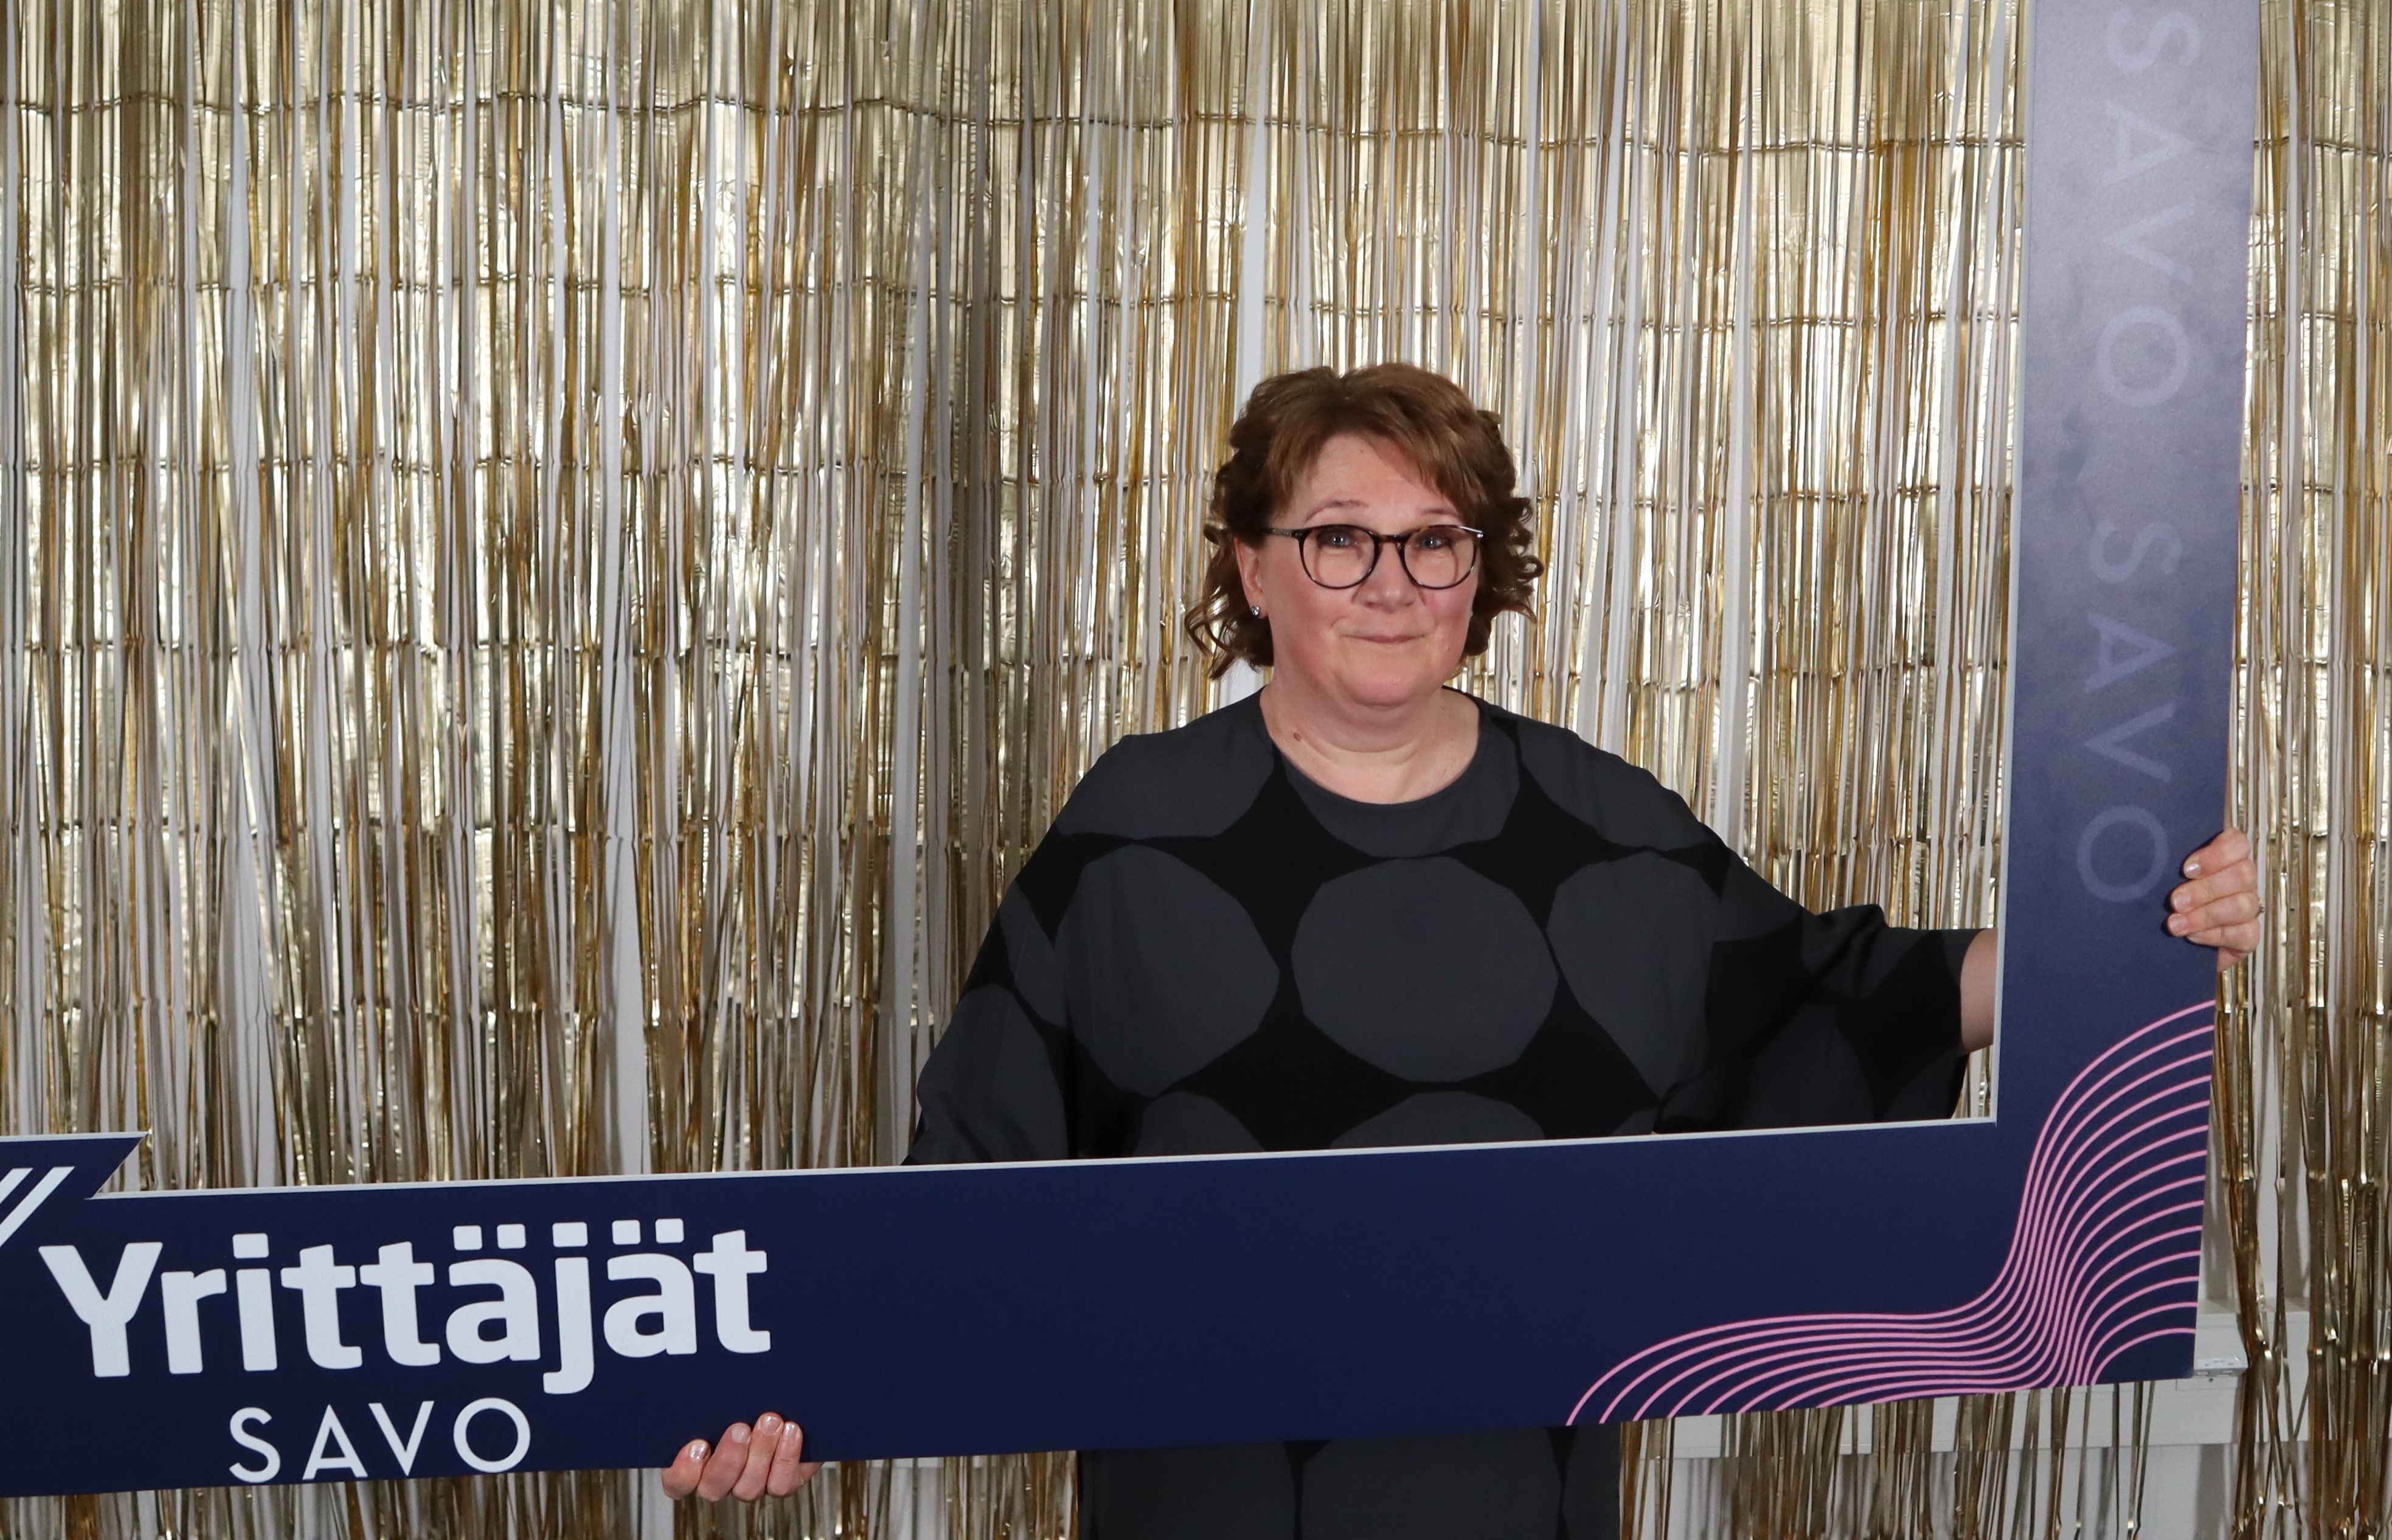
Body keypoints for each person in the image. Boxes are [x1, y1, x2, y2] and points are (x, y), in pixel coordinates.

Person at [663, 364, 2264, 1535]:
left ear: (1481, 573)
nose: (1391, 583)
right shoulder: (1136, 829)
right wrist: (789, 1390)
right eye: (1338, 538)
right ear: (1252, 567)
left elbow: (1845, 1002)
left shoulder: (1605, 825)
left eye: (1436, 539)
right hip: (1203, 1514)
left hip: (1524, 1502)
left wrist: (2135, 940)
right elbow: (967, 1183)